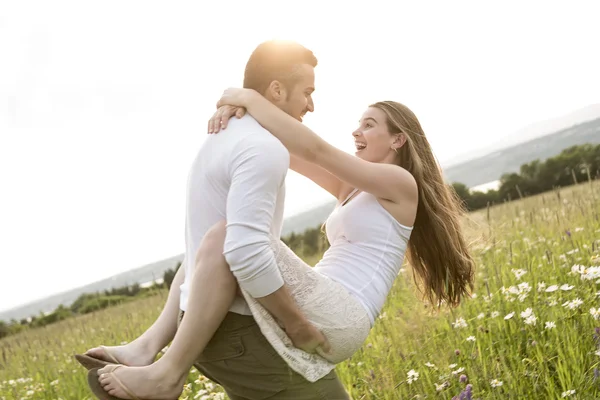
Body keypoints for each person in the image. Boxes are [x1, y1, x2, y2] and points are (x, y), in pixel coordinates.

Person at [88, 85, 477, 399]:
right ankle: (147, 346)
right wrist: (239, 117)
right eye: (359, 124)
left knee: (230, 234)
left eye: (369, 125)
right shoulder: (352, 188)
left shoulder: (400, 185)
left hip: (342, 313)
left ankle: (169, 373)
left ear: (398, 141)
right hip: (329, 301)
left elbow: (317, 149)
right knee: (211, 240)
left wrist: (249, 97)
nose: (356, 132)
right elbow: (286, 149)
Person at [79, 40, 355, 400]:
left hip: (200, 324)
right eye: (307, 92)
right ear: (276, 89)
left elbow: (204, 248)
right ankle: (161, 376)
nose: (311, 105)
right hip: (240, 325)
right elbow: (245, 252)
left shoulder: (224, 135)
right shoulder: (262, 148)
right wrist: (296, 324)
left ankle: (150, 355)